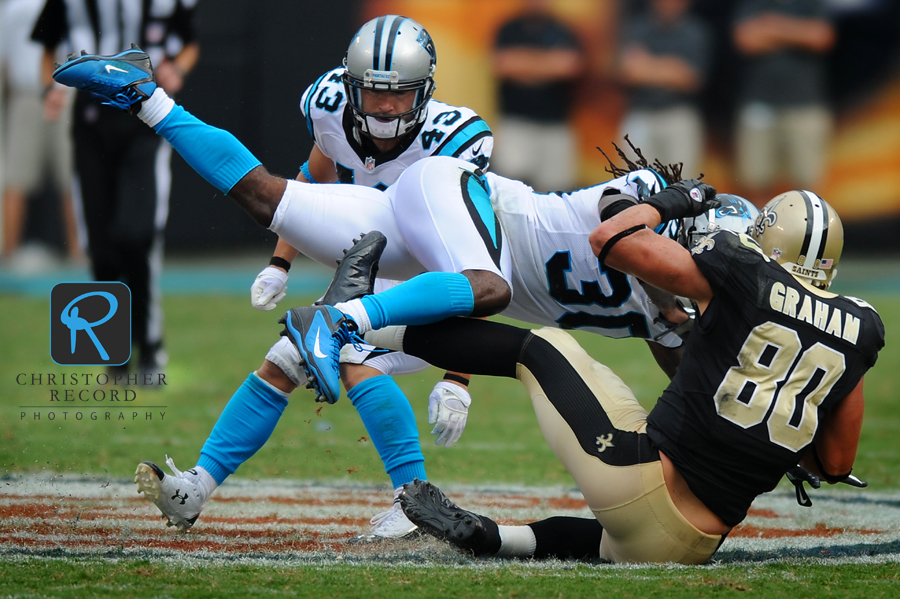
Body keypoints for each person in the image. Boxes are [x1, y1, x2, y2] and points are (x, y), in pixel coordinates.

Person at [53, 46, 707, 536]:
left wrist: (692, 348)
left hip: (428, 255)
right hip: (444, 203)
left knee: (271, 235)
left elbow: (690, 377)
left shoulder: (665, 315)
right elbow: (590, 230)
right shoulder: (638, 215)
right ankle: (343, 320)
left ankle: (141, 93)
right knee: (483, 288)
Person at [376, 188, 883, 564]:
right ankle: (491, 536)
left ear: (767, 240)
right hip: (693, 545)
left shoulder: (745, 272)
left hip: (637, 484)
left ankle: (374, 327)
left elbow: (611, 237)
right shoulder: (859, 327)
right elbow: (835, 461)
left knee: (544, 348)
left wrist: (674, 201)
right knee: (601, 540)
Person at [244, 15, 493, 542]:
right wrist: (280, 261)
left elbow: (477, 265)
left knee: (345, 354)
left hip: (428, 287)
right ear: (349, 85)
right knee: (290, 356)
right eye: (372, 91)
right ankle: (195, 486)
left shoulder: (454, 137)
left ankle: (413, 501)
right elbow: (312, 182)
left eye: (399, 94)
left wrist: (458, 376)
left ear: (424, 90)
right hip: (365, 281)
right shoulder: (329, 108)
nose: (383, 106)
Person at [31, 0, 200, 380]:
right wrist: (49, 90)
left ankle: (150, 347)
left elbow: (190, 41)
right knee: (102, 247)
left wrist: (178, 69)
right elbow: (47, 45)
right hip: (91, 124)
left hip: (146, 118)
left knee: (136, 235)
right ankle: (115, 357)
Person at [733, 0, 835, 208]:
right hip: (759, 105)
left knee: (808, 185)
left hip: (805, 106)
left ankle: (809, 238)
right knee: (756, 181)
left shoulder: (811, 4)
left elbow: (821, 37)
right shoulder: (754, 4)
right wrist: (797, 33)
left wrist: (773, 27)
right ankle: (758, 238)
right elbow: (746, 40)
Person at [1, 0, 79, 265]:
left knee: (73, 175)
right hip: (30, 95)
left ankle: (78, 253)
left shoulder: (69, 5)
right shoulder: (16, 9)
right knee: (17, 177)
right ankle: (9, 256)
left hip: (63, 92)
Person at [490, 0, 585, 191]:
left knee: (556, 193)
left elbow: (570, 67)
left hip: (555, 125)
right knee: (509, 191)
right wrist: (550, 64)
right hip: (516, 123)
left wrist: (524, 64)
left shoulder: (564, 30)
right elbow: (504, 65)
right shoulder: (509, 29)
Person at [617, 0, 712, 179]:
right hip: (641, 115)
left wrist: (647, 66)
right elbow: (628, 72)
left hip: (679, 116)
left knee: (681, 187)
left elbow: (690, 79)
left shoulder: (695, 31)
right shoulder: (637, 28)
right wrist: (672, 68)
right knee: (636, 185)